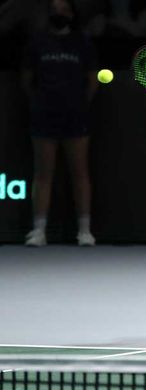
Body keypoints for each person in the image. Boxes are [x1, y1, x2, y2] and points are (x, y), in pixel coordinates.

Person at [21, 0, 98, 246]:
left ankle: (84, 231)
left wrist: (80, 104)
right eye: (54, 9)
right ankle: (39, 231)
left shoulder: (82, 43)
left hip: (76, 116)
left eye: (64, 9)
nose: (59, 13)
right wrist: (40, 103)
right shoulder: (36, 43)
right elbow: (26, 80)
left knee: (80, 173)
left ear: (72, 13)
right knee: (43, 174)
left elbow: (92, 80)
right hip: (44, 115)